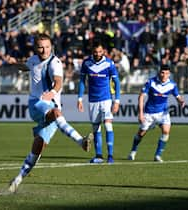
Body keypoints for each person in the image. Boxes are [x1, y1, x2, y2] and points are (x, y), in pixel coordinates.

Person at [8, 33, 93, 193]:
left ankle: (16, 180)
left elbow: (59, 82)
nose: (44, 50)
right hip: (36, 104)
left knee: (38, 147)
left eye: (47, 46)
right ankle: (81, 142)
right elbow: (26, 67)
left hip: (52, 105)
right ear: (35, 47)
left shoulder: (55, 63)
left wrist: (52, 91)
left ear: (51, 47)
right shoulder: (33, 60)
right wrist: (15, 63)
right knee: (55, 112)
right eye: (41, 47)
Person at [127, 65, 185, 162]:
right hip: (149, 113)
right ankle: (133, 151)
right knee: (141, 133)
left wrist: (181, 101)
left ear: (169, 74)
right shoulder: (150, 82)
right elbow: (141, 97)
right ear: (159, 72)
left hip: (163, 113)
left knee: (166, 131)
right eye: (162, 72)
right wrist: (140, 113)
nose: (164, 75)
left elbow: (178, 96)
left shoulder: (172, 85)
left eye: (166, 73)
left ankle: (158, 155)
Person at [77, 41, 121, 164]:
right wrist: (80, 98)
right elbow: (81, 81)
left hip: (106, 99)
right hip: (92, 100)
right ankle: (99, 156)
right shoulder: (86, 63)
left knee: (108, 124)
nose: (97, 54)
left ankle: (110, 155)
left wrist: (116, 101)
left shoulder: (109, 64)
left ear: (103, 52)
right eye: (95, 52)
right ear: (92, 52)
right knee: (96, 128)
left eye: (100, 52)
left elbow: (117, 82)